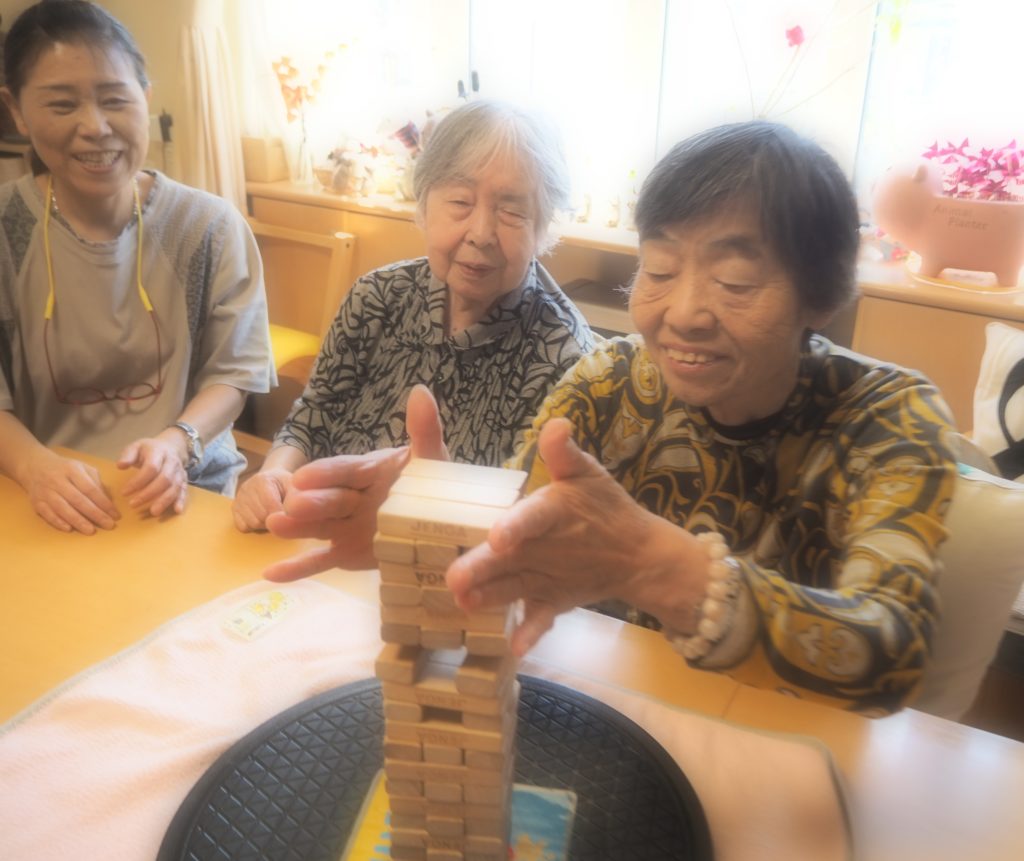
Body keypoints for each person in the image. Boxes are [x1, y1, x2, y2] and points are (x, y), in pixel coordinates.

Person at [269, 121, 959, 715]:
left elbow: (891, 649)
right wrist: (428, 520)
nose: (683, 313)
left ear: (822, 297)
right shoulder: (610, 381)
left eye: (735, 282)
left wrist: (658, 567)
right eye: (659, 270)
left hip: (784, 740)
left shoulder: (887, 415)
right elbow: (522, 521)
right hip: (612, 710)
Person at [231, 99, 594, 536]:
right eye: (460, 201)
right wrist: (275, 474)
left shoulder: (565, 359)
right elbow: (315, 414)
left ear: (543, 228)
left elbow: (532, 526)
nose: (481, 233)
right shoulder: (377, 296)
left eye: (512, 211)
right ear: (423, 206)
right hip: (318, 541)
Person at [0, 0, 275, 535]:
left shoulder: (209, 226)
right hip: (39, 493)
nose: (95, 127)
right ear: (16, 110)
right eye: (62, 105)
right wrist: (35, 468)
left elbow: (234, 374)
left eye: (115, 100)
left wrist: (178, 443)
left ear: (145, 98)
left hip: (185, 489)